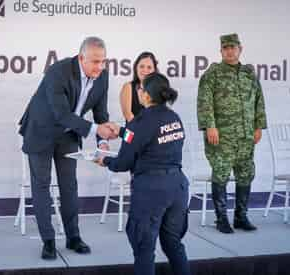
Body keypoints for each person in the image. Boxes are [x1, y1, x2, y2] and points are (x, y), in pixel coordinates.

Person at [18, 37, 117, 260]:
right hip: (41, 131)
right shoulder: (58, 71)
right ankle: (49, 241)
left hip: (69, 134)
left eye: (103, 62)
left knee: (69, 186)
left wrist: (102, 142)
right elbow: (61, 114)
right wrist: (96, 131)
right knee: (42, 186)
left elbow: (100, 114)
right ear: (81, 58)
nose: (100, 67)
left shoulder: (103, 76)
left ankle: (73, 237)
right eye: (95, 62)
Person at [95, 72, 191, 275]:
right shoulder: (174, 117)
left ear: (146, 95)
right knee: (173, 244)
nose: (138, 91)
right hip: (178, 188)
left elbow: (123, 162)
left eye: (140, 88)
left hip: (151, 191)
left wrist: (105, 160)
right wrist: (121, 131)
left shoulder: (140, 123)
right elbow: (148, 136)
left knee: (144, 250)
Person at [197, 33, 267, 233]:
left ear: (240, 49)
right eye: (225, 48)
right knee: (221, 174)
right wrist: (209, 126)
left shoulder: (249, 74)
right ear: (221, 51)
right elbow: (205, 101)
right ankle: (221, 219)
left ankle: (240, 217)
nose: (229, 51)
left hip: (246, 135)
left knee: (245, 174)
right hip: (221, 136)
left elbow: (258, 101)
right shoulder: (213, 73)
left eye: (233, 47)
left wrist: (258, 126)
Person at [120, 52, 158, 123]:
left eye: (149, 67)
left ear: (154, 70)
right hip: (131, 132)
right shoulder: (128, 87)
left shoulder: (158, 90)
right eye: (141, 66)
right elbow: (128, 116)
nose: (145, 70)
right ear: (136, 67)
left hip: (153, 132)